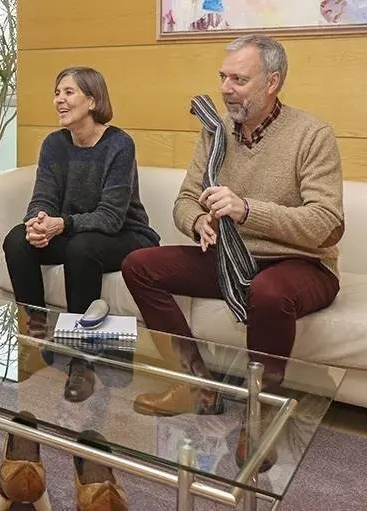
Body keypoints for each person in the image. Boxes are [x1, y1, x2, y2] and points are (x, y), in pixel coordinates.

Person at [121, 35, 343, 470]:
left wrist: (246, 210)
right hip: (228, 256)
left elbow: (326, 223)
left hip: (302, 263)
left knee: (267, 291)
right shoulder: (215, 130)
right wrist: (197, 222)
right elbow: (186, 199)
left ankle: (261, 413)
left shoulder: (311, 134)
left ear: (272, 83)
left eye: (239, 79)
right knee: (139, 265)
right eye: (223, 77)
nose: (225, 88)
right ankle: (196, 385)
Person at [2, 66, 160, 403]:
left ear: (92, 100)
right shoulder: (54, 144)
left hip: (126, 235)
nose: (59, 100)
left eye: (69, 92)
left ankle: (81, 360)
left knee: (81, 247)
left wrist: (62, 224)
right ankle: (36, 338)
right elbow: (43, 197)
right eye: (57, 93)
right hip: (75, 231)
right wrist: (37, 223)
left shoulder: (119, 144)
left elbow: (111, 217)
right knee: (17, 240)